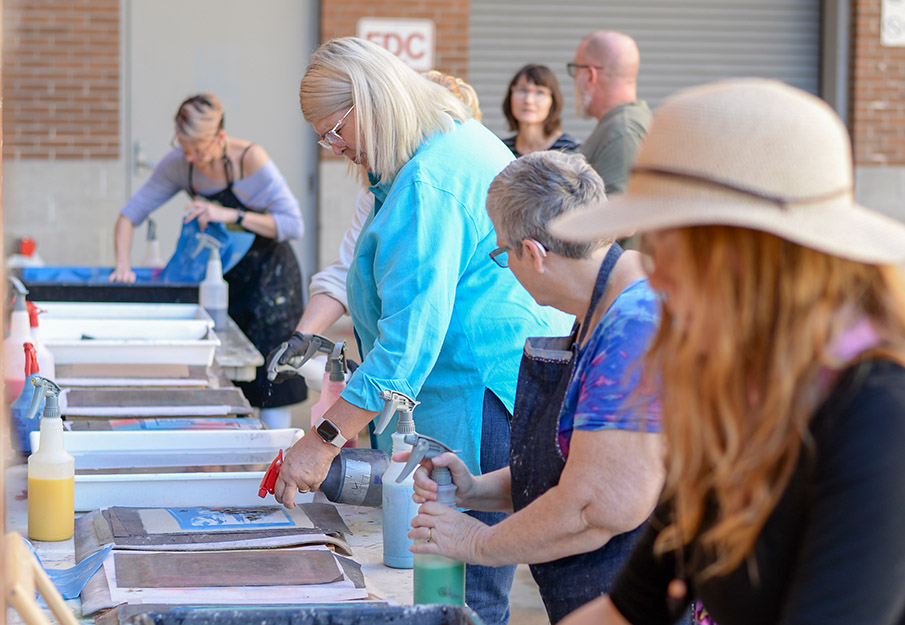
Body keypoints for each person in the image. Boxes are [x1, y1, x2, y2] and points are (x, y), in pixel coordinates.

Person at [549, 79, 905, 625]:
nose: (651, 269)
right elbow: (629, 609)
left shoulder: (878, 413)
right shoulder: (736, 393)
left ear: (747, 256)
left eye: (669, 245)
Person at [274, 37, 572, 625]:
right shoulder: (436, 144)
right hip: (482, 384)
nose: (335, 148)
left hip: (479, 395)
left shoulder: (429, 182)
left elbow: (407, 347)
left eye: (335, 131)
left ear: (370, 105)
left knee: (459, 590)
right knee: (449, 579)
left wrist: (322, 440)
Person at [401, 151, 667, 624]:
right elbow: (576, 462)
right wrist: (475, 492)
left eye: (502, 254)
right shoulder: (600, 306)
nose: (506, 265)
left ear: (535, 253)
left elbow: (594, 506)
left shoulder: (633, 327)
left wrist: (476, 541)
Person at [110, 93, 307, 426]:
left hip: (270, 277)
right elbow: (129, 215)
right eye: (184, 148)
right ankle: (227, 458)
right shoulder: (179, 162)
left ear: (220, 137)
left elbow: (292, 225)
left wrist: (230, 214)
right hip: (222, 275)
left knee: (273, 377)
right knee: (222, 368)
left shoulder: (250, 159)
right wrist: (122, 265)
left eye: (199, 150)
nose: (191, 157)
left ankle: (274, 463)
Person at [271, 71, 483, 340]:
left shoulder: (444, 190)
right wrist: (303, 336)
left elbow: (420, 308)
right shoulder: (375, 193)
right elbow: (346, 269)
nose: (337, 148)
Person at [569, 31, 651, 196]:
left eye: (576, 69)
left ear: (590, 76)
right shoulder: (624, 123)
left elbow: (619, 216)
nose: (574, 78)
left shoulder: (622, 131)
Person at [501, 64, 580, 158]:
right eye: (522, 90)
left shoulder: (569, 149)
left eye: (539, 92)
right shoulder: (502, 149)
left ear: (553, 101)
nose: (528, 100)